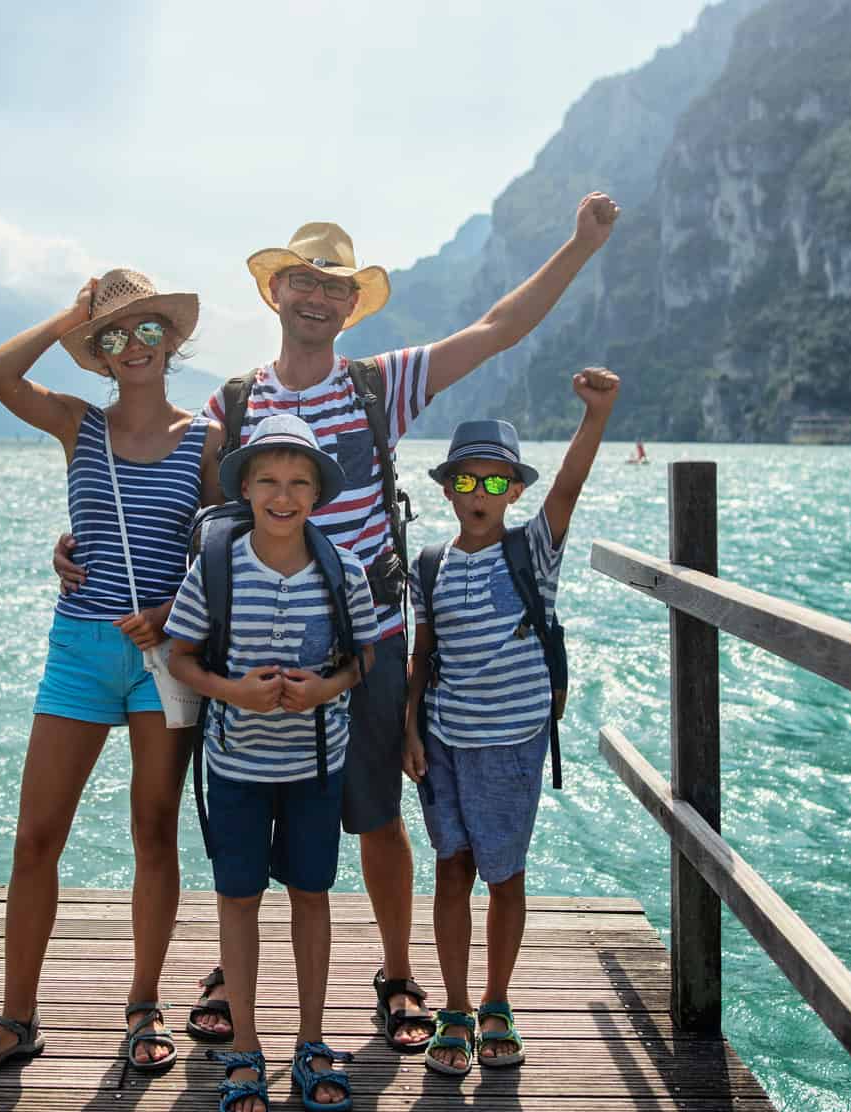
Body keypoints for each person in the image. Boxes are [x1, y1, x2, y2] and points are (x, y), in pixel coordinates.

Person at [56, 193, 621, 1049]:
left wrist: (578, 244)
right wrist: (79, 546)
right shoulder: (231, 407)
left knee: (376, 810)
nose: (317, 299)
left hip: (369, 633)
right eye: (302, 282)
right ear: (274, 291)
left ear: (351, 305)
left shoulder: (378, 385)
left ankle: (397, 974)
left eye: (334, 288)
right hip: (250, 638)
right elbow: (184, 506)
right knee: (244, 798)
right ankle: (228, 971)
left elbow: (501, 326)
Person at [0, 269, 209, 1084]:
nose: (133, 346)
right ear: (98, 353)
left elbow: (218, 552)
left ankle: (142, 1006)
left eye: (146, 330)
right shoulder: (77, 426)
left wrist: (171, 609)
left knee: (154, 834)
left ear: (171, 338)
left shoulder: (206, 439)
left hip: (163, 661)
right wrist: (72, 314)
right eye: (114, 336)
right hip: (78, 652)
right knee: (35, 838)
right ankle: (16, 1018)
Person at [403, 368, 621, 1078]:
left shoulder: (532, 550)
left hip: (511, 741)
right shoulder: (429, 564)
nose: (480, 495)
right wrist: (409, 727)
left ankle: (497, 999)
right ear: (445, 488)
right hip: (443, 740)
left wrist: (596, 414)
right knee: (450, 866)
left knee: (504, 873)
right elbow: (422, 650)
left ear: (515, 492)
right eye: (467, 482)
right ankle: (457, 1007)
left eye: (496, 484)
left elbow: (570, 485)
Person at [164, 415, 378, 1112]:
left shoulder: (341, 569)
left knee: (311, 893)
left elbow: (364, 656)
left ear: (316, 495)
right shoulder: (216, 567)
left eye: (297, 484)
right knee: (239, 898)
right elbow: (181, 655)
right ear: (246, 488)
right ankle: (246, 1045)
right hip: (235, 765)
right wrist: (232, 692)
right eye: (268, 483)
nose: (282, 497)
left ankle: (312, 1038)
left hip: (316, 762)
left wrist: (324, 688)